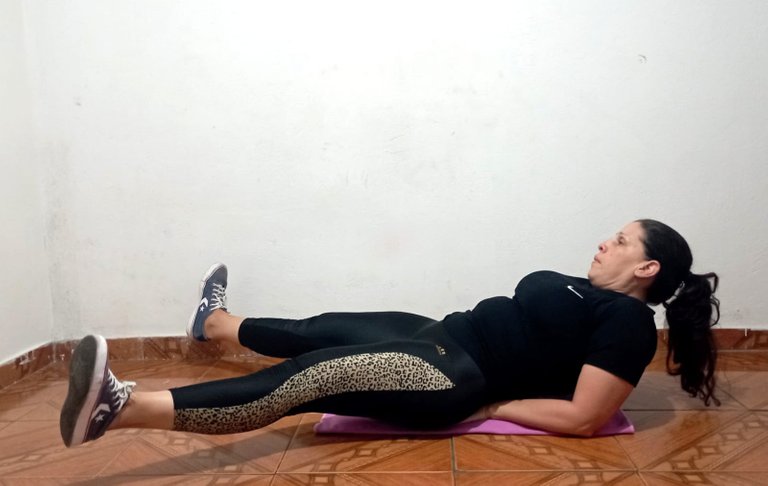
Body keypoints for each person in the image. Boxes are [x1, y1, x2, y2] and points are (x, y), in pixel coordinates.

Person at [59, 219, 721, 447]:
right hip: (443, 333)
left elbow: (586, 415)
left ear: (647, 268)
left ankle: (121, 409)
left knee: (309, 378)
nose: (606, 242)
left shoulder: (629, 324)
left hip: (453, 375)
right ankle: (214, 323)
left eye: (622, 240)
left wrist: (493, 406)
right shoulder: (589, 292)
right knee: (320, 329)